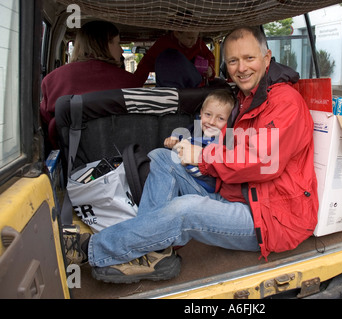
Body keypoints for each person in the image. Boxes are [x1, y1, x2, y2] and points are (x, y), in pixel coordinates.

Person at [68, 26, 318, 284]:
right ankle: (154, 250)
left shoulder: (283, 102)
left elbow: (262, 162)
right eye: (233, 61)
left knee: (184, 210)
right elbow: (230, 147)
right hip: (234, 194)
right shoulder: (245, 98)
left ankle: (90, 249)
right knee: (163, 157)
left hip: (270, 217)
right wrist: (190, 144)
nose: (241, 68)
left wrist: (201, 155)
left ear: (266, 58)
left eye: (249, 58)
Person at [40, 21, 147, 150]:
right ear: (104, 45)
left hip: (69, 161)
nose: (121, 50)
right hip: (121, 159)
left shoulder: (52, 80)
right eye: (118, 43)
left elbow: (45, 124)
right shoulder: (130, 82)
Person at [164, 89, 235, 192]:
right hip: (184, 176)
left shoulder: (225, 139)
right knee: (159, 157)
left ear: (229, 121)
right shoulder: (197, 127)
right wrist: (173, 139)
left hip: (205, 186)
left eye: (220, 119)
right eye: (208, 114)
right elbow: (183, 133)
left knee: (159, 156)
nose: (211, 122)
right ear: (201, 113)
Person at [134, 31, 216, 88]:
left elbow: (210, 59)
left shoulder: (199, 44)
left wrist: (210, 71)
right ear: (177, 34)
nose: (194, 42)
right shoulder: (162, 44)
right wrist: (134, 86)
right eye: (190, 38)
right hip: (169, 89)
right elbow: (145, 65)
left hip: (194, 90)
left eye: (196, 38)